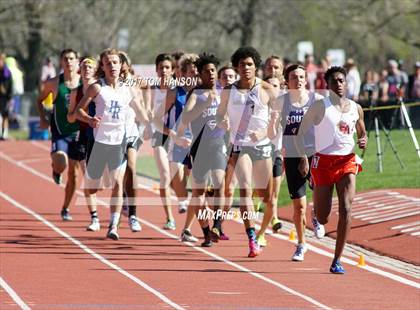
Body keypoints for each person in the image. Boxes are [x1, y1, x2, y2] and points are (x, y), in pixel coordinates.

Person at [297, 66, 367, 273]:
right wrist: (303, 157)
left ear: (346, 83)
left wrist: (363, 139)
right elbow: (300, 133)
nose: (338, 84)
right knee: (325, 216)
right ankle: (316, 214)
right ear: (327, 85)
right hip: (323, 163)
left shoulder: (356, 108)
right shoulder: (320, 107)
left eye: (341, 80)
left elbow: (362, 132)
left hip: (347, 161)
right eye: (334, 81)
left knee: (346, 207)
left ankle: (337, 260)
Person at [75, 48, 146, 240]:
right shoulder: (97, 88)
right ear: (103, 67)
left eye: (115, 62)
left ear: (121, 65)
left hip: (119, 142)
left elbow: (141, 112)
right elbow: (77, 111)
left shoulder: (128, 88)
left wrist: (153, 123)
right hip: (99, 143)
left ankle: (113, 225)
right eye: (108, 63)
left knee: (117, 182)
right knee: (92, 187)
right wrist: (90, 119)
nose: (112, 66)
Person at [217, 46, 275, 257]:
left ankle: (260, 229)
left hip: (262, 147)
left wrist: (265, 132)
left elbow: (280, 117)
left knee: (266, 195)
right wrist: (222, 121)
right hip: (240, 146)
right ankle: (251, 238)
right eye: (242, 64)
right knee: (245, 188)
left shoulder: (267, 89)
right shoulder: (228, 91)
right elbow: (219, 116)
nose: (246, 68)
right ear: (236, 67)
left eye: (250, 64)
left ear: (256, 66)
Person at [268, 64, 325, 261]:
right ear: (287, 81)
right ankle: (301, 244)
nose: (299, 80)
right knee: (299, 206)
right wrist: (273, 121)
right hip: (292, 155)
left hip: (314, 154)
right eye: (294, 77)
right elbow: (271, 133)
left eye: (302, 77)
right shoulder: (280, 102)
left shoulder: (316, 100)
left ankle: (317, 214)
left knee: (318, 195)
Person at [176, 53, 226, 246]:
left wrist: (228, 122)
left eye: (213, 70)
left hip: (218, 144)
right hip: (199, 148)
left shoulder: (223, 92)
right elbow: (186, 117)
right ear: (200, 74)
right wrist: (205, 104)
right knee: (198, 194)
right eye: (207, 71)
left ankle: (217, 225)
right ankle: (206, 233)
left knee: (220, 184)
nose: (211, 74)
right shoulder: (195, 94)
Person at [36, 48, 82, 221]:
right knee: (61, 162)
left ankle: (65, 208)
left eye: (72, 58)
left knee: (74, 175)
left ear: (77, 62)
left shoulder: (85, 83)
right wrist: (43, 118)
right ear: (61, 62)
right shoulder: (54, 83)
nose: (69, 62)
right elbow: (39, 100)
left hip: (78, 133)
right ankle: (56, 170)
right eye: (66, 59)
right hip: (60, 133)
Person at [67, 56, 100, 231]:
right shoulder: (75, 92)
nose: (87, 68)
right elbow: (70, 117)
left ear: (95, 70)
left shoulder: (101, 89)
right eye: (84, 66)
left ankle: (124, 204)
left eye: (90, 66)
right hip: (84, 136)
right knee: (88, 178)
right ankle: (94, 217)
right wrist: (81, 115)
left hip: (103, 136)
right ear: (80, 69)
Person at [0, 53, 12, 140]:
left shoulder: (6, 72)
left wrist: (10, 97)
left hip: (5, 97)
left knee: (5, 115)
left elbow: (10, 85)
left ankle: (5, 133)